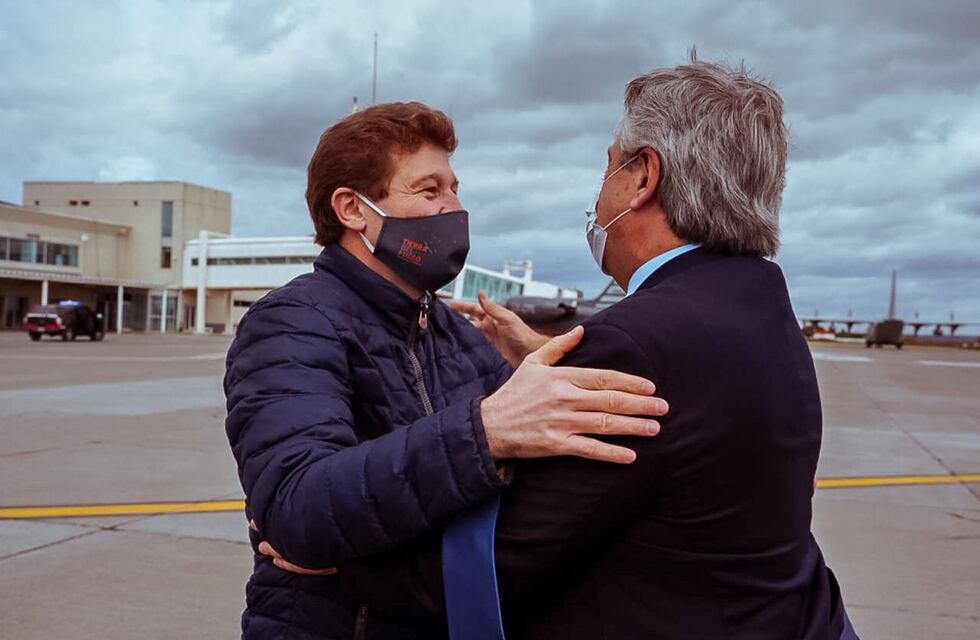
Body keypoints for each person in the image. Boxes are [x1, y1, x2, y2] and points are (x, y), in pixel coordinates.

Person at [277, 56, 858, 639]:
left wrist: (345, 566)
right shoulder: (759, 304)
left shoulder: (634, 343)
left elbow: (503, 565)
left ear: (643, 178)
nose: (453, 208)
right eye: (430, 190)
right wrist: (543, 359)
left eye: (610, 166)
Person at [223, 102, 670, 639]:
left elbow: (533, 471)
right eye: (429, 190)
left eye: (454, 189)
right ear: (353, 209)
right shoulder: (293, 322)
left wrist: (536, 362)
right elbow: (298, 509)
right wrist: (483, 433)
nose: (454, 208)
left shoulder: (455, 333)